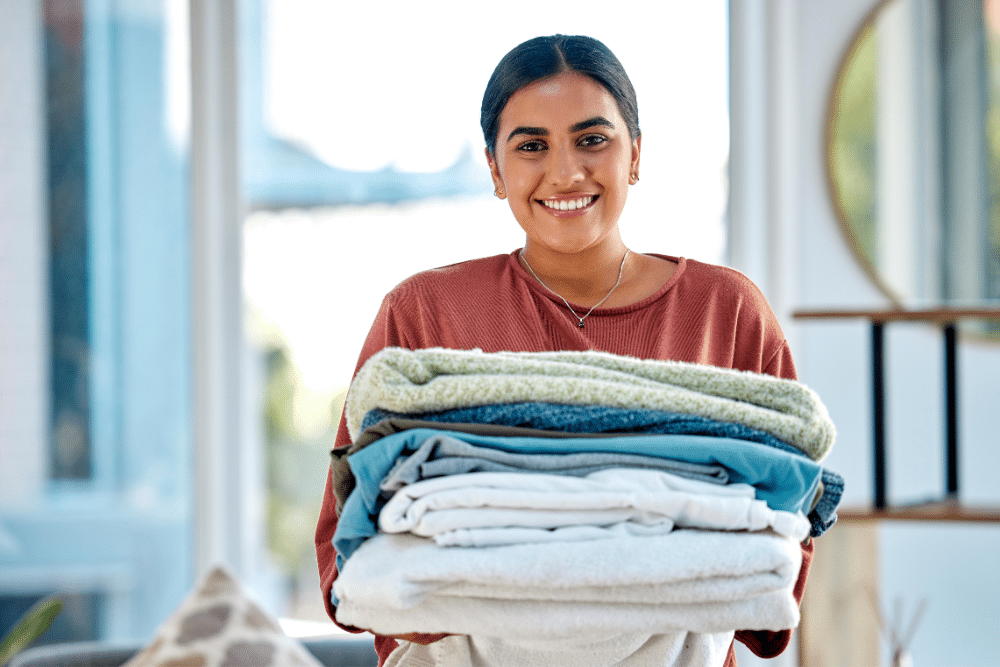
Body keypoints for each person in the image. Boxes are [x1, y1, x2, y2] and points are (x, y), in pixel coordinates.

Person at [315, 34, 812, 666]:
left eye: (592, 139)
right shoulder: (424, 313)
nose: (566, 172)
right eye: (530, 146)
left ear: (636, 153)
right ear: (496, 169)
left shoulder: (724, 310)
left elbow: (787, 515)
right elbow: (346, 538)